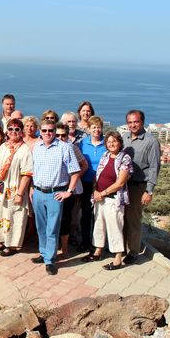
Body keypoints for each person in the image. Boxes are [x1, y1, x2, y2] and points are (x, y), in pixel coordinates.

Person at [31, 119, 81, 275]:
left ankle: (50, 260)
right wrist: (32, 188)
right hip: (38, 192)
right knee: (41, 226)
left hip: (55, 194)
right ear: (40, 131)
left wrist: (69, 191)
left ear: (54, 131)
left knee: (52, 228)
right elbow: (34, 170)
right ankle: (43, 253)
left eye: (50, 131)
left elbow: (75, 172)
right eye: (44, 131)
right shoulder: (36, 147)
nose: (47, 133)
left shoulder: (65, 148)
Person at [82, 131, 133, 270]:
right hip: (99, 197)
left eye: (114, 141)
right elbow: (98, 175)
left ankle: (117, 258)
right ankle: (98, 251)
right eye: (109, 142)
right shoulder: (105, 155)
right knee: (99, 225)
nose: (111, 144)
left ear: (120, 143)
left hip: (113, 198)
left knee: (114, 227)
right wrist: (95, 190)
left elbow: (120, 183)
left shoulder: (125, 158)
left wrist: (102, 193)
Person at [122, 110, 161, 265]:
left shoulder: (151, 141)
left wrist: (149, 191)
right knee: (122, 217)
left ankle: (133, 252)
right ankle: (122, 248)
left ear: (142, 122)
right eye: (130, 122)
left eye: (136, 121)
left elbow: (154, 167)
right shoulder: (124, 138)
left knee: (134, 220)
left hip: (139, 186)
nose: (133, 125)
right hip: (123, 185)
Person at [0, 119, 33, 256]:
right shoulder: (3, 146)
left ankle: (11, 245)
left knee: (13, 217)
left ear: (21, 132)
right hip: (0, 189)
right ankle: (1, 240)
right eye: (10, 129)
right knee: (0, 214)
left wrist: (20, 193)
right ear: (7, 131)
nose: (13, 132)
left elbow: (27, 174)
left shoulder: (24, 150)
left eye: (17, 129)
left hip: (14, 189)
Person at [55, 123, 88, 259]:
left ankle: (64, 248)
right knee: (53, 219)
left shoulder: (72, 148)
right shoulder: (48, 148)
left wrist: (74, 178)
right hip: (53, 189)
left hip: (68, 190)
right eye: (58, 135)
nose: (61, 137)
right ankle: (54, 246)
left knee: (65, 218)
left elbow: (84, 165)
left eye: (64, 135)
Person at [77, 116, 106, 253]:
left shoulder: (107, 143)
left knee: (99, 215)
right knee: (86, 214)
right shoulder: (82, 144)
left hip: (102, 185)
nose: (97, 130)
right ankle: (85, 241)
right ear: (88, 129)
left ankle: (98, 243)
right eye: (93, 127)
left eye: (99, 127)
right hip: (85, 183)